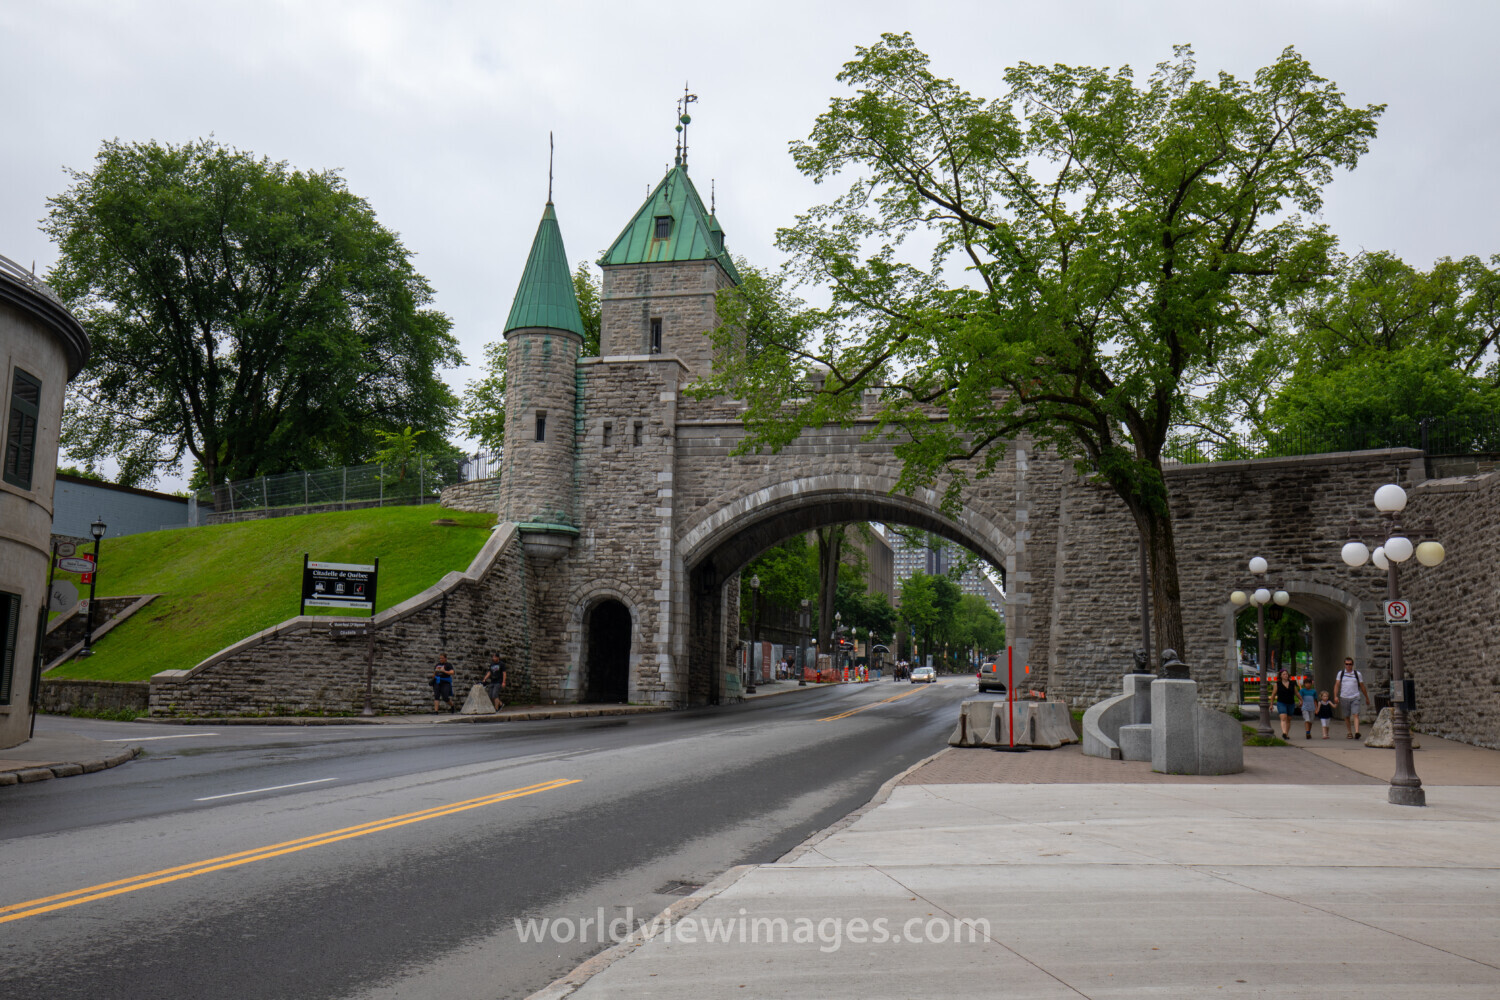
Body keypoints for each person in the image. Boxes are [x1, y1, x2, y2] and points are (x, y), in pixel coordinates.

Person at [1335, 657, 1373, 740]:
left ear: (1352, 665)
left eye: (1350, 664)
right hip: (1344, 697)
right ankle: (1349, 732)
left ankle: (1356, 732)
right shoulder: (1340, 673)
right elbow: (1337, 685)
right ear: (1344, 664)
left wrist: (1367, 697)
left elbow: (1362, 686)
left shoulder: (1357, 674)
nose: (1348, 666)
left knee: (1356, 714)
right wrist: (1335, 696)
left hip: (1355, 697)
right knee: (1346, 716)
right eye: (1347, 664)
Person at [1273, 667, 1300, 739]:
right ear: (1281, 676)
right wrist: (1271, 704)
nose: (1285, 675)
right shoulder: (1277, 684)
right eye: (1284, 674)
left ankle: (1286, 734)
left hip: (1291, 703)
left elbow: (1296, 693)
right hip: (1281, 702)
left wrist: (1301, 700)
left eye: (1286, 674)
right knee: (1283, 717)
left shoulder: (1292, 683)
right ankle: (1284, 732)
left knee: (1289, 719)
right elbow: (1273, 694)